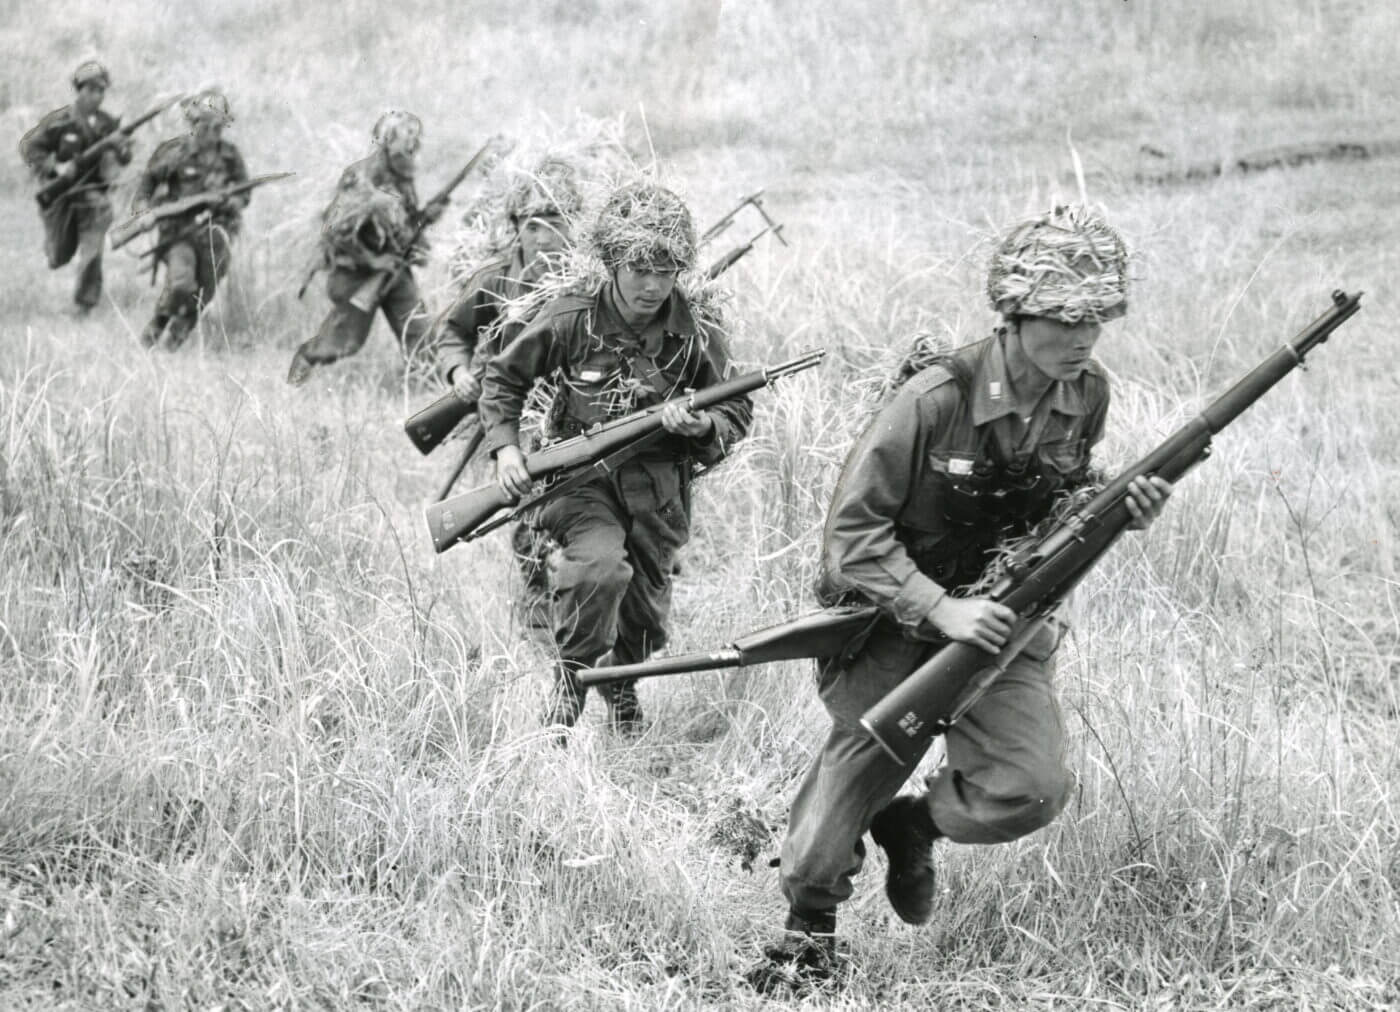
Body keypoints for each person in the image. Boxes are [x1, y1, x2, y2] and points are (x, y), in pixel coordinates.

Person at [749, 205, 1172, 991]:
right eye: (1064, 319)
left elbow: (1062, 505)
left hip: (1005, 626)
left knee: (1031, 789)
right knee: (823, 835)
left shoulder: (1088, 394)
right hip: (895, 621)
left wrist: (1118, 514)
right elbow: (852, 536)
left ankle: (911, 824)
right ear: (1014, 315)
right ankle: (807, 938)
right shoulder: (934, 400)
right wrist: (940, 610)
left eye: (1098, 322)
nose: (1083, 338)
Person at [477, 180, 753, 735]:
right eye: (638, 269)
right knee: (599, 571)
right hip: (580, 481)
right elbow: (503, 378)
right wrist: (507, 450)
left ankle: (623, 689)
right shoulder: (572, 317)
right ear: (610, 261)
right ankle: (570, 685)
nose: (653, 286)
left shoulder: (697, 329)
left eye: (667, 270)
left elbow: (737, 410)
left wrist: (701, 425)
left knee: (645, 613)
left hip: (658, 491)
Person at [436, 157, 582, 623]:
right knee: (524, 502)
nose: (544, 237)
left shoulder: (585, 279)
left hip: (571, 407)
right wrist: (459, 373)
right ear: (515, 227)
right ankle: (538, 598)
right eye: (533, 225)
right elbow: (453, 331)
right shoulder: (496, 277)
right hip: (511, 412)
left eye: (555, 223)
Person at [287, 111, 443, 385]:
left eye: (416, 137)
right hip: (356, 273)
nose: (414, 144)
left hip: (394, 269)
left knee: (418, 332)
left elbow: (403, 224)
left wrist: (426, 216)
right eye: (408, 136)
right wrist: (372, 261)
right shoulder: (361, 176)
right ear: (387, 139)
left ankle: (430, 393)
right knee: (344, 341)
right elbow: (333, 230)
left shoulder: (402, 176)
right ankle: (302, 367)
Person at [133, 89, 249, 349]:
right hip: (178, 233)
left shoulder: (230, 156)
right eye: (205, 124)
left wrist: (229, 202)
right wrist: (144, 213)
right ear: (194, 122)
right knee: (181, 283)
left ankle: (175, 338)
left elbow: (245, 193)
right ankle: (159, 323)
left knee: (204, 292)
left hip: (216, 233)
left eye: (218, 126)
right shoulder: (173, 152)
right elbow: (146, 186)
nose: (211, 132)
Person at [19, 61, 132, 314]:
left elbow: (125, 158)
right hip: (59, 195)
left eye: (101, 91)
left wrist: (121, 146)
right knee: (59, 255)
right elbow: (30, 148)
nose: (96, 96)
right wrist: (54, 167)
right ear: (78, 90)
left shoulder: (108, 123)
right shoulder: (59, 121)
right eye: (91, 90)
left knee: (93, 248)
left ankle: (84, 304)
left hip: (92, 197)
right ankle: (54, 248)